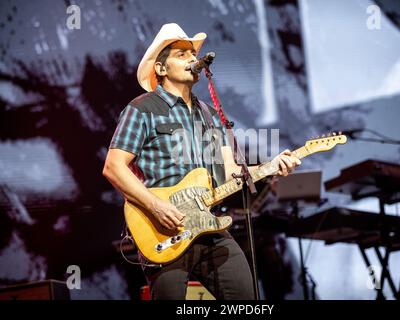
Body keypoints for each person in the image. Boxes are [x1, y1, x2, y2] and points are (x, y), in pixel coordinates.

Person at [102, 23, 301, 300]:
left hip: (208, 225)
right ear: (161, 69)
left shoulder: (207, 114)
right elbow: (113, 167)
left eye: (192, 54)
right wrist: (156, 206)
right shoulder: (142, 108)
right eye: (181, 54)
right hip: (163, 228)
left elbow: (230, 172)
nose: (192, 59)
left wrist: (271, 166)